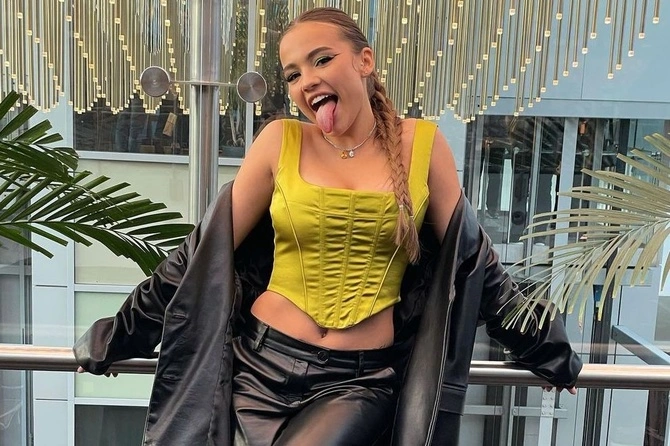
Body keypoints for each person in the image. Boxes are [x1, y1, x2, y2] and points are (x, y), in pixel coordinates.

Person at [73, 7, 582, 446]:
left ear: (365, 61)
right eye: (293, 74)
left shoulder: (423, 145)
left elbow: (472, 263)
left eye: (321, 60)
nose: (306, 81)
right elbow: (200, 254)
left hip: (358, 382)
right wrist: (119, 337)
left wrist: (547, 350)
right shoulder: (279, 141)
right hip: (259, 366)